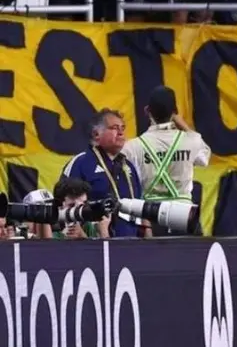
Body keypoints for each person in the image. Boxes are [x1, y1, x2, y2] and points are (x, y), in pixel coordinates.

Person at [120, 86, 212, 235]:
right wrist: (181, 123)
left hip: (150, 217)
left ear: (146, 111)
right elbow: (204, 159)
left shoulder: (132, 147)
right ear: (175, 112)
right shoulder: (191, 141)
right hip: (185, 215)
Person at [61, 109, 149, 238]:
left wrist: (147, 230)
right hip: (94, 243)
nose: (121, 132)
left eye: (122, 128)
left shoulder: (128, 166)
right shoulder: (81, 163)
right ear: (96, 134)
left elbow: (140, 202)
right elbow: (65, 203)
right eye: (114, 128)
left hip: (131, 242)